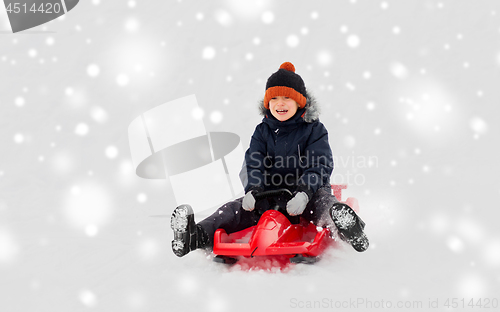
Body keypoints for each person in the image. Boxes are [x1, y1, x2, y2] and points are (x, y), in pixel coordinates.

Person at [170, 62, 369, 257]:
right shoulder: (262, 131)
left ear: (300, 101)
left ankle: (345, 225)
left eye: (286, 98)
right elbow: (253, 162)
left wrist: (305, 192)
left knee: (323, 205)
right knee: (232, 210)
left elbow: (320, 163)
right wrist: (253, 190)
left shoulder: (314, 130)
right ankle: (195, 235)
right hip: (270, 193)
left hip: (307, 194)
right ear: (267, 103)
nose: (280, 103)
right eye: (274, 98)